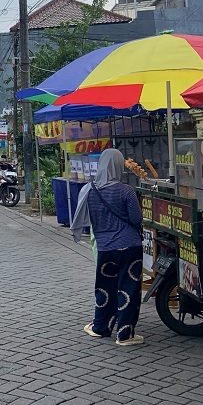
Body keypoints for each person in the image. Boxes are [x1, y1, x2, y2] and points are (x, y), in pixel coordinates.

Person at [71, 148, 144, 346]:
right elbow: (136, 219)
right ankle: (125, 335)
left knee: (105, 287)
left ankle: (101, 327)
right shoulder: (126, 190)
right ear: (119, 165)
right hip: (129, 247)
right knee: (128, 289)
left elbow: (86, 220)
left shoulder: (90, 190)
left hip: (105, 248)